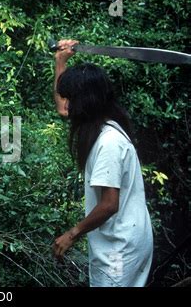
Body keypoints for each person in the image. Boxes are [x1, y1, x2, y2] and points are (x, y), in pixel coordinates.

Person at [51, 39, 154, 287]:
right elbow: (63, 109)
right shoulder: (102, 124)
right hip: (117, 242)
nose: (65, 105)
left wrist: (72, 233)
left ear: (84, 101)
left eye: (70, 98)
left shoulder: (108, 142)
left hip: (120, 249)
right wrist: (60, 62)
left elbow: (109, 205)